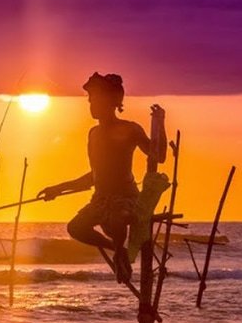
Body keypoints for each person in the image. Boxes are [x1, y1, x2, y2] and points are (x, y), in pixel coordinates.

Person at [37, 72, 166, 284]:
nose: (90, 104)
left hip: (126, 199)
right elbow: (94, 177)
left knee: (117, 219)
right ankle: (118, 249)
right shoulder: (93, 134)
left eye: (95, 99)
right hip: (100, 200)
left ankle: (119, 251)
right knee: (75, 228)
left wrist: (160, 123)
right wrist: (57, 189)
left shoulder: (129, 129)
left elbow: (159, 156)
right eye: (89, 100)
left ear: (111, 102)